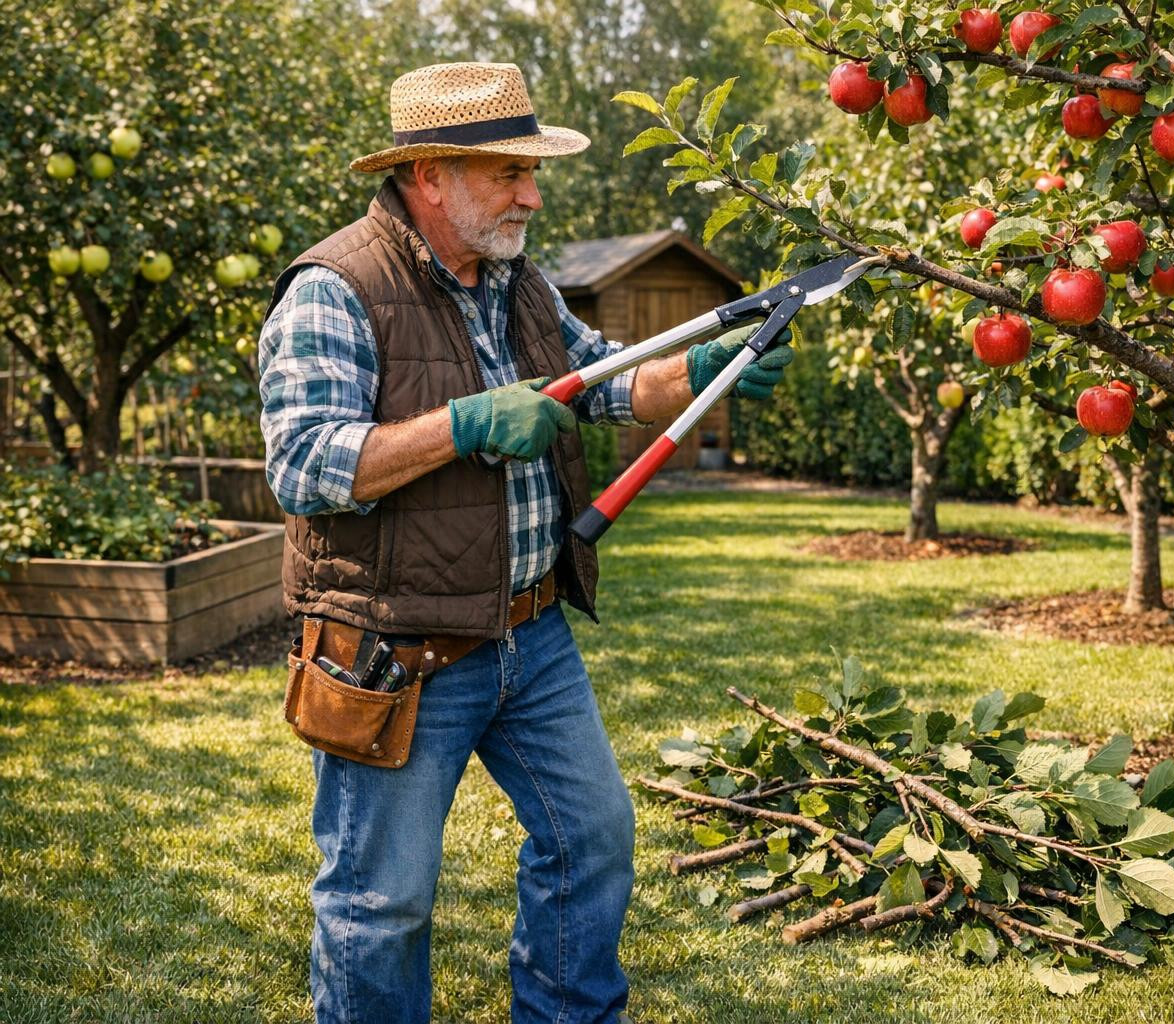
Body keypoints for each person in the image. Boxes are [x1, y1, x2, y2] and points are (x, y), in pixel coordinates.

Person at [257, 61, 792, 1024]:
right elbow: (303, 464)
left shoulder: (520, 284)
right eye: (508, 174)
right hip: (396, 650)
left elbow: (611, 383)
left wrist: (702, 368)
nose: (532, 195)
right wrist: (460, 426)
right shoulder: (334, 288)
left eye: (530, 173)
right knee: (382, 905)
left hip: (530, 637)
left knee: (591, 842)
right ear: (431, 175)